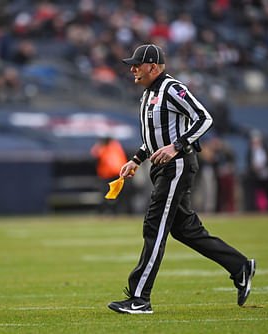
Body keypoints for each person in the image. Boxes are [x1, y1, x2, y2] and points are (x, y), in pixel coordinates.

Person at [108, 44, 255, 314]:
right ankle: (240, 266)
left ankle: (139, 298)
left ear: (153, 66)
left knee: (155, 226)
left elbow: (204, 118)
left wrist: (178, 145)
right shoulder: (147, 94)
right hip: (163, 166)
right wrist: (136, 160)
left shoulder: (171, 88)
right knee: (185, 229)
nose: (132, 69)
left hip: (176, 165)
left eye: (137, 65)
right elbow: (153, 139)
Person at [90, 136, 128, 214]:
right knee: (109, 196)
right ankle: (110, 211)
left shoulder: (113, 147)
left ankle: (114, 211)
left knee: (113, 195)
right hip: (112, 175)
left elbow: (95, 155)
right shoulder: (113, 147)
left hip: (114, 175)